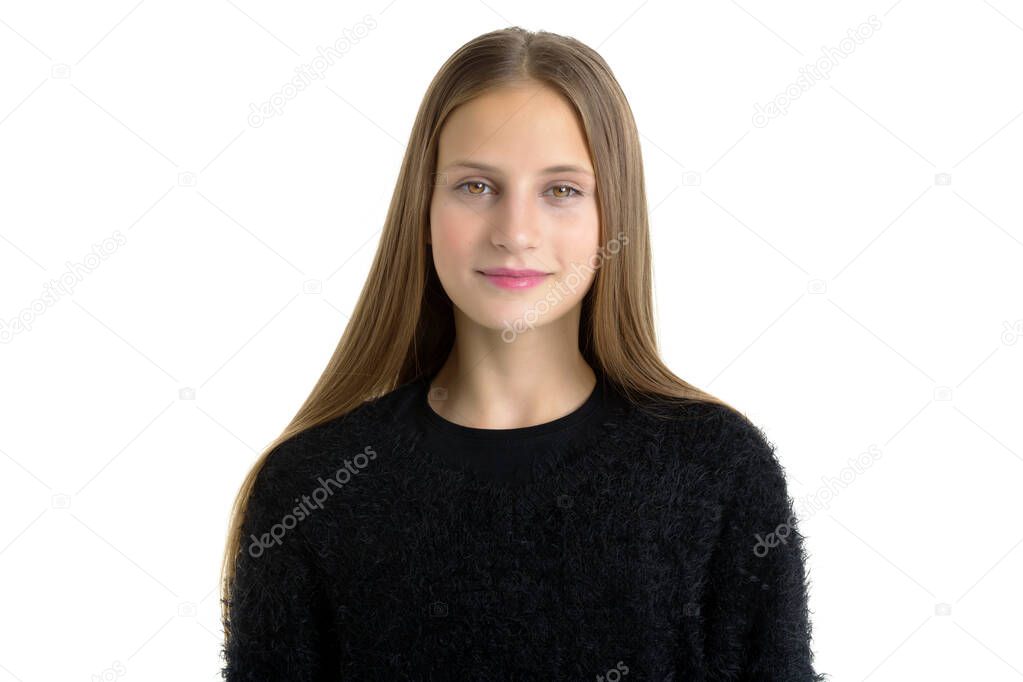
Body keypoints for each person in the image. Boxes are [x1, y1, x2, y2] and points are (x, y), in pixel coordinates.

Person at [220, 26, 826, 681]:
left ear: (610, 216)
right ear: (422, 211)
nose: (514, 233)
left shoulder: (717, 469)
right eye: (476, 186)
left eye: (561, 190)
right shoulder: (310, 486)